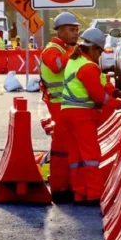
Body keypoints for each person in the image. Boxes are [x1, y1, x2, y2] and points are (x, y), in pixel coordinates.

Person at [59, 28, 121, 205]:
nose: (101, 56)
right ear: (94, 49)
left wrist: (116, 91)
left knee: (76, 157)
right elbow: (98, 96)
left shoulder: (76, 61)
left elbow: (101, 81)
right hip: (82, 115)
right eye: (100, 52)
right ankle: (94, 195)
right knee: (90, 156)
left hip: (68, 113)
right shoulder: (88, 67)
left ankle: (80, 193)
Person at [40, 12, 80, 201]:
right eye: (72, 30)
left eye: (77, 30)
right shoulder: (52, 50)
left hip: (65, 106)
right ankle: (60, 188)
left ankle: (67, 186)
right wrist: (73, 53)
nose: (75, 34)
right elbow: (56, 66)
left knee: (68, 147)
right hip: (58, 105)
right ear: (61, 31)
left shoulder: (65, 49)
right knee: (62, 149)